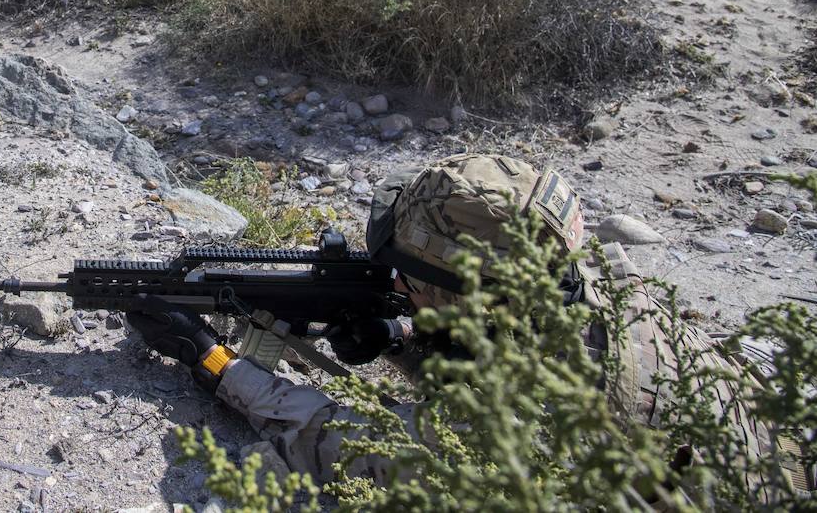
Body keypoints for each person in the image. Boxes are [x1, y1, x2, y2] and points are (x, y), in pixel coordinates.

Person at [128, 153, 811, 495]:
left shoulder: (539, 415)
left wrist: (213, 362)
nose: (393, 280)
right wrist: (401, 339)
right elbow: (488, 342)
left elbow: (334, 443)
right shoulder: (586, 281)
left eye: (406, 272)